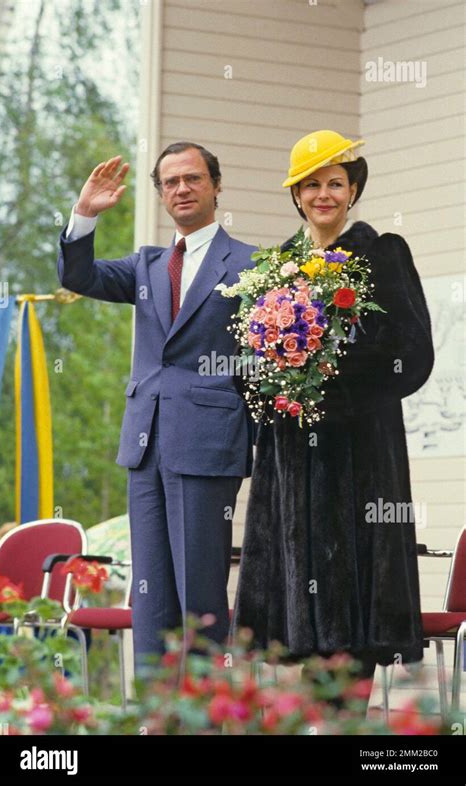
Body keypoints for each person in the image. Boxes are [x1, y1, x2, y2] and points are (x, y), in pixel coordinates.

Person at [231, 130, 434, 698]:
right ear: (296, 195)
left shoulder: (382, 251)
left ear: (354, 190)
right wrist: (269, 379)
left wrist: (328, 385)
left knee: (353, 620)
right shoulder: (274, 268)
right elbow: (244, 359)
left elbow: (413, 354)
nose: (324, 194)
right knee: (296, 620)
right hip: (291, 461)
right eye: (312, 184)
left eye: (336, 183)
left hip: (360, 455)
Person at [57, 142, 255, 677]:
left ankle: (205, 719)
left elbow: (265, 361)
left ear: (216, 185)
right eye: (170, 182)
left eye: (193, 178)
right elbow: (78, 278)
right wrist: (84, 216)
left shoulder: (252, 264)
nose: (182, 189)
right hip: (144, 444)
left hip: (208, 444)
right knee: (150, 599)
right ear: (161, 192)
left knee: (199, 594)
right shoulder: (146, 264)